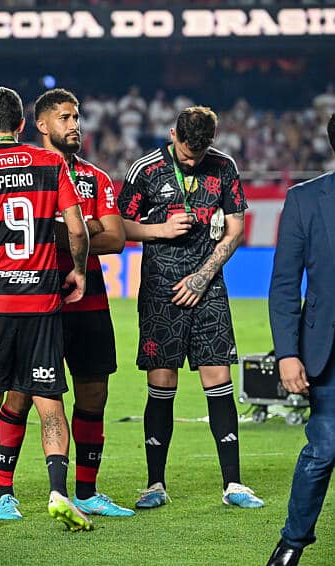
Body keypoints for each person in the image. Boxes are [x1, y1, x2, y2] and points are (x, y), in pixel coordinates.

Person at [0, 86, 92, 530]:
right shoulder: (51, 163)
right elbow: (77, 230)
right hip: (41, 300)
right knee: (49, 401)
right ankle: (60, 493)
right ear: (23, 125)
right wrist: (78, 271)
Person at [0, 88, 132, 521]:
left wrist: (68, 230)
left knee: (95, 393)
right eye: (66, 118)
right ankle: (3, 492)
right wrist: (80, 231)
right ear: (42, 125)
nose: (75, 125)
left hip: (89, 302)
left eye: (77, 117)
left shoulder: (96, 178)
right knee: (19, 394)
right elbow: (18, 235)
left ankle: (86, 492)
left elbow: (116, 237)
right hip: (37, 300)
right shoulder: (28, 172)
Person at [117, 106, 263, 510]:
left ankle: (234, 484)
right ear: (172, 134)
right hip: (161, 292)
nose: (191, 160)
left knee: (218, 379)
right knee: (162, 384)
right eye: (185, 153)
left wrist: (203, 276)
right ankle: (155, 484)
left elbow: (236, 229)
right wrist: (159, 229)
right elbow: (116, 226)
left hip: (208, 288)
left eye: (199, 155)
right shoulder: (145, 169)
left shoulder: (224, 167)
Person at [266, 113, 335, 566]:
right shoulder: (306, 200)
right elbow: (285, 285)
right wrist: (288, 354)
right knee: (325, 448)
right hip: (326, 353)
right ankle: (292, 544)